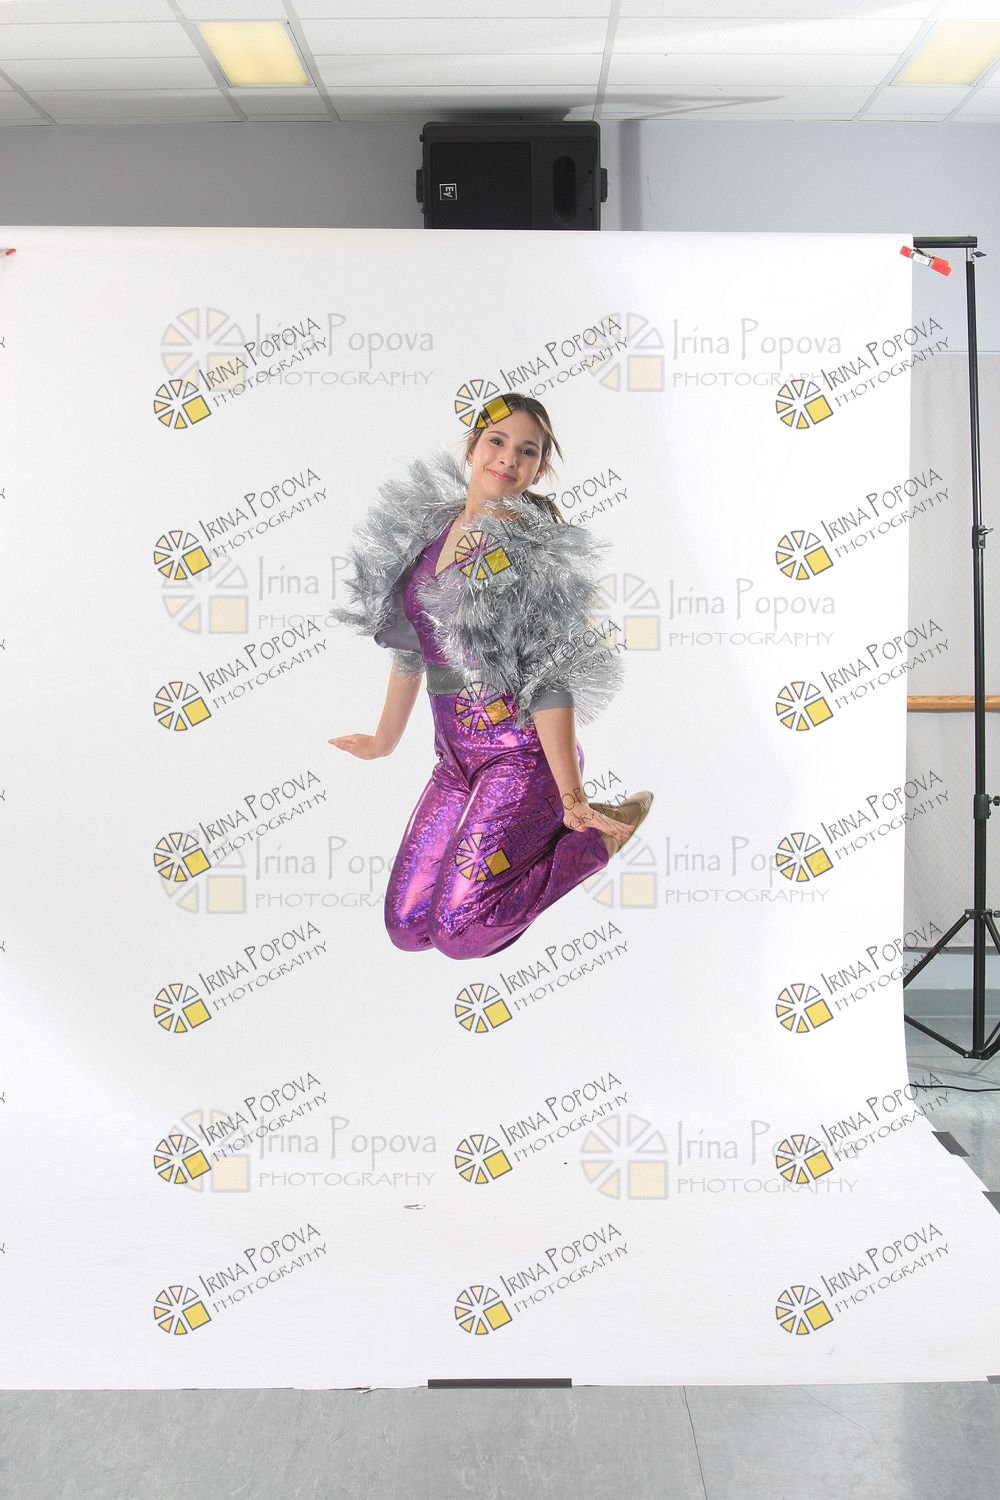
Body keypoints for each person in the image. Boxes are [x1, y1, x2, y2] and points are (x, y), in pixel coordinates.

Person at [329, 393, 653, 960]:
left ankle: (592, 840)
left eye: (527, 451)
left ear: (540, 468)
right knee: (408, 929)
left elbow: (552, 679)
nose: (508, 458)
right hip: (455, 759)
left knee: (460, 934)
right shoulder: (430, 530)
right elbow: (413, 648)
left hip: (521, 757)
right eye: (497, 442)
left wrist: (572, 796)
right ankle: (549, 831)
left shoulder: (531, 555)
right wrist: (384, 740)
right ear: (472, 447)